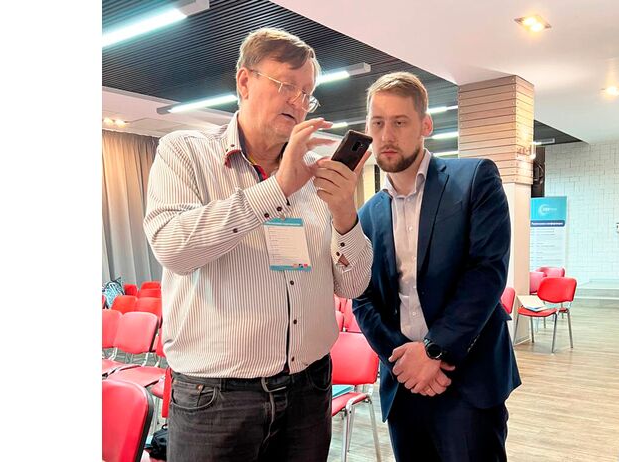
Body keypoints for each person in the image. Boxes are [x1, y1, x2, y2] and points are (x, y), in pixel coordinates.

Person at [143, 28, 373, 461]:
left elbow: (354, 285)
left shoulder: (315, 176)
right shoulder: (185, 153)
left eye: (307, 94)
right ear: (244, 82)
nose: (298, 102)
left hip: (309, 388)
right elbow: (173, 247)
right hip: (216, 399)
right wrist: (278, 189)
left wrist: (345, 213)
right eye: (287, 85)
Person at [352, 72, 522, 461]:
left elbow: (486, 273)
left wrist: (432, 351)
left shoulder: (475, 179)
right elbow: (362, 297)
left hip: (467, 379)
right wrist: (405, 362)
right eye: (378, 123)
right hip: (404, 385)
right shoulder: (366, 214)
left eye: (400, 122)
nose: (387, 135)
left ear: (425, 125)